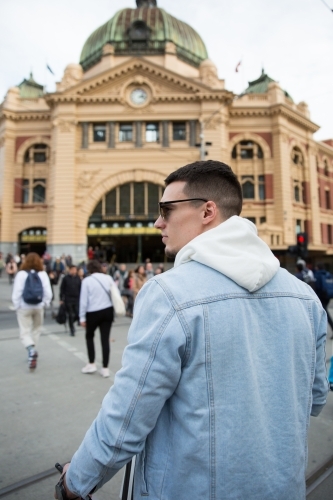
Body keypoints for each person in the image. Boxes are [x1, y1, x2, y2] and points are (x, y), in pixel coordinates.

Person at [55, 160, 328, 500]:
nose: (158, 222)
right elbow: (314, 399)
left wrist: (75, 482)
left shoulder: (169, 293)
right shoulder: (304, 296)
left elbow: (127, 416)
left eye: (166, 209)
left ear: (207, 211)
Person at [12, 252, 52, 369]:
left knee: (24, 332)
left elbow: (17, 292)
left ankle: (30, 350)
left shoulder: (21, 274)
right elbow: (48, 291)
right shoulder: (43, 274)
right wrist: (45, 303)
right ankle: (33, 351)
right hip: (39, 306)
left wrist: (17, 306)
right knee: (36, 330)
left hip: (24, 306)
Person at [79, 260, 114, 378]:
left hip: (93, 312)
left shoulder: (86, 281)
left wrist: (82, 317)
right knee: (105, 339)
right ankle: (105, 368)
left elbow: (83, 301)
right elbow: (115, 293)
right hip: (108, 310)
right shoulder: (108, 278)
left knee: (89, 336)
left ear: (89, 269)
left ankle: (91, 363)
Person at [60, 265, 81, 336]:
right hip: (68, 299)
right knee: (70, 315)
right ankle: (72, 329)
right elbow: (62, 288)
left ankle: (72, 322)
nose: (74, 271)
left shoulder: (78, 278)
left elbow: (81, 288)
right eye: (73, 269)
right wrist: (61, 298)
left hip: (77, 298)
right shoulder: (65, 278)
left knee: (78, 313)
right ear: (70, 270)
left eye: (75, 270)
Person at [314, 263, 333, 338]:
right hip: (328, 296)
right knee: (322, 312)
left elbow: (317, 287)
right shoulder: (328, 274)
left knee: (324, 313)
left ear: (318, 268)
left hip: (321, 296)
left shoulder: (317, 275)